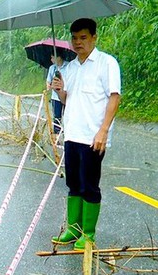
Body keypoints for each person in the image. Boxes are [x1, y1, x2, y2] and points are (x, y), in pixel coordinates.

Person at [50, 18, 121, 250]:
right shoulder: (69, 68)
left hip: (93, 137)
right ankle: (73, 228)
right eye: (74, 38)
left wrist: (103, 130)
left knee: (89, 184)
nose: (78, 42)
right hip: (72, 134)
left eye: (83, 37)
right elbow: (67, 100)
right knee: (73, 183)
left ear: (93, 38)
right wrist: (60, 90)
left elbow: (114, 96)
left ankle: (88, 234)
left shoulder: (106, 63)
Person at [45, 50, 69, 140]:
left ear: (58, 57)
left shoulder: (69, 66)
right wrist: (49, 86)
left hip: (67, 96)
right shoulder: (52, 68)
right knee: (57, 118)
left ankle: (68, 136)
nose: (51, 59)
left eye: (52, 57)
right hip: (55, 97)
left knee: (68, 116)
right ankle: (56, 138)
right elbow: (48, 81)